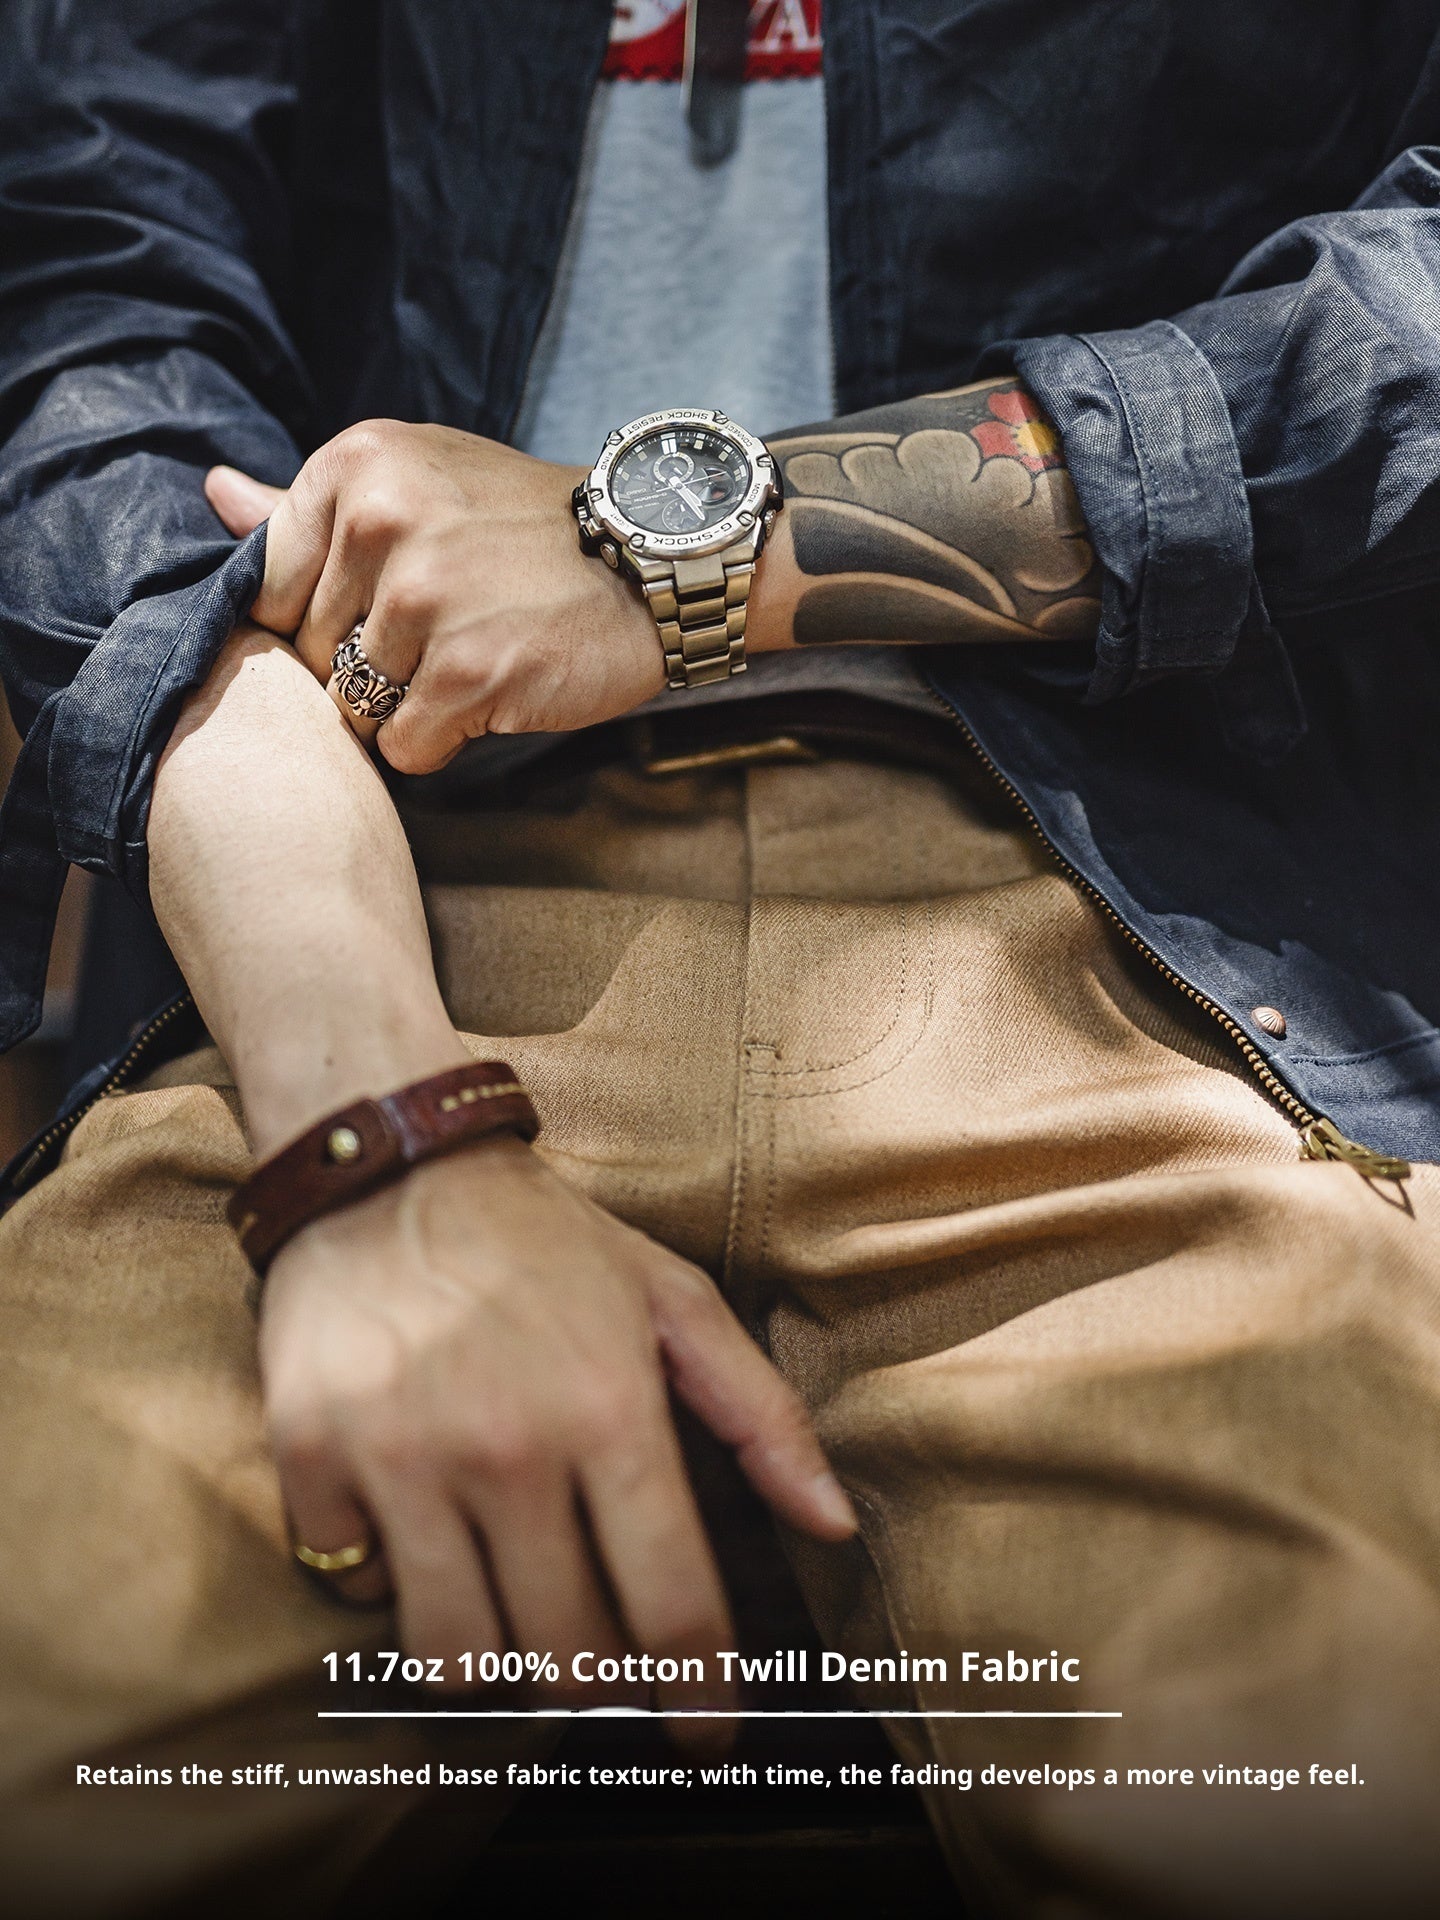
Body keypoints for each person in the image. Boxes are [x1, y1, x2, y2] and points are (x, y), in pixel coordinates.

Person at [2, 1, 1440, 1915]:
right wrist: (366, 1114)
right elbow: (92, 303)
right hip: (365, 873)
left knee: (1330, 1811)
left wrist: (705, 549)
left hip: (1131, 912)